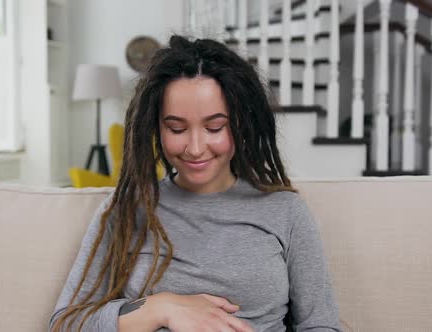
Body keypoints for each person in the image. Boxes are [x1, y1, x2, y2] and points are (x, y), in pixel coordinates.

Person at [49, 34, 340, 332]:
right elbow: (65, 323)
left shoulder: (285, 212)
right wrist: (161, 307)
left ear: (241, 123)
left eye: (215, 127)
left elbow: (321, 325)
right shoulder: (127, 209)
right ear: (156, 127)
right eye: (176, 128)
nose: (196, 147)